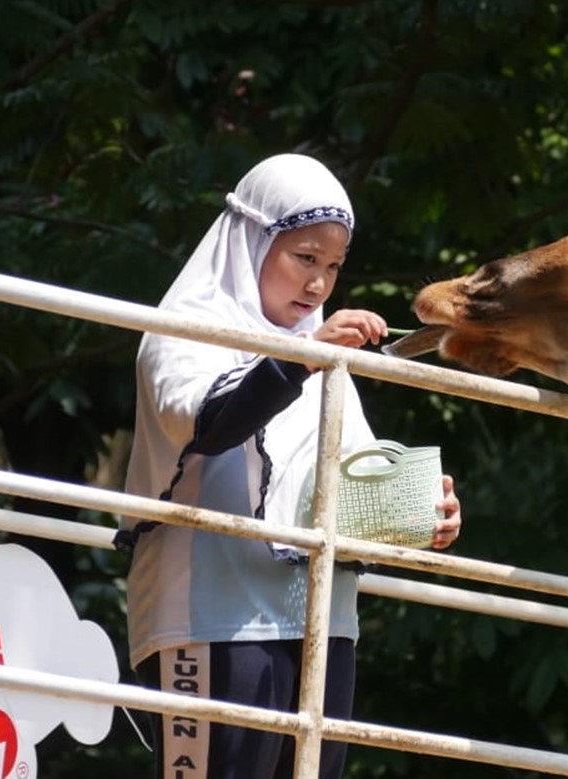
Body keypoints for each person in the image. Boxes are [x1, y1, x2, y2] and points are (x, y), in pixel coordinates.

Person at [116, 153, 463, 779]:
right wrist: (303, 357)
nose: (319, 285)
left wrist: (423, 515)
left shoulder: (324, 357)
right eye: (304, 258)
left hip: (322, 620)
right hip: (208, 616)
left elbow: (357, 490)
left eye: (333, 266)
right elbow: (212, 420)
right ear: (254, 239)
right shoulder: (183, 330)